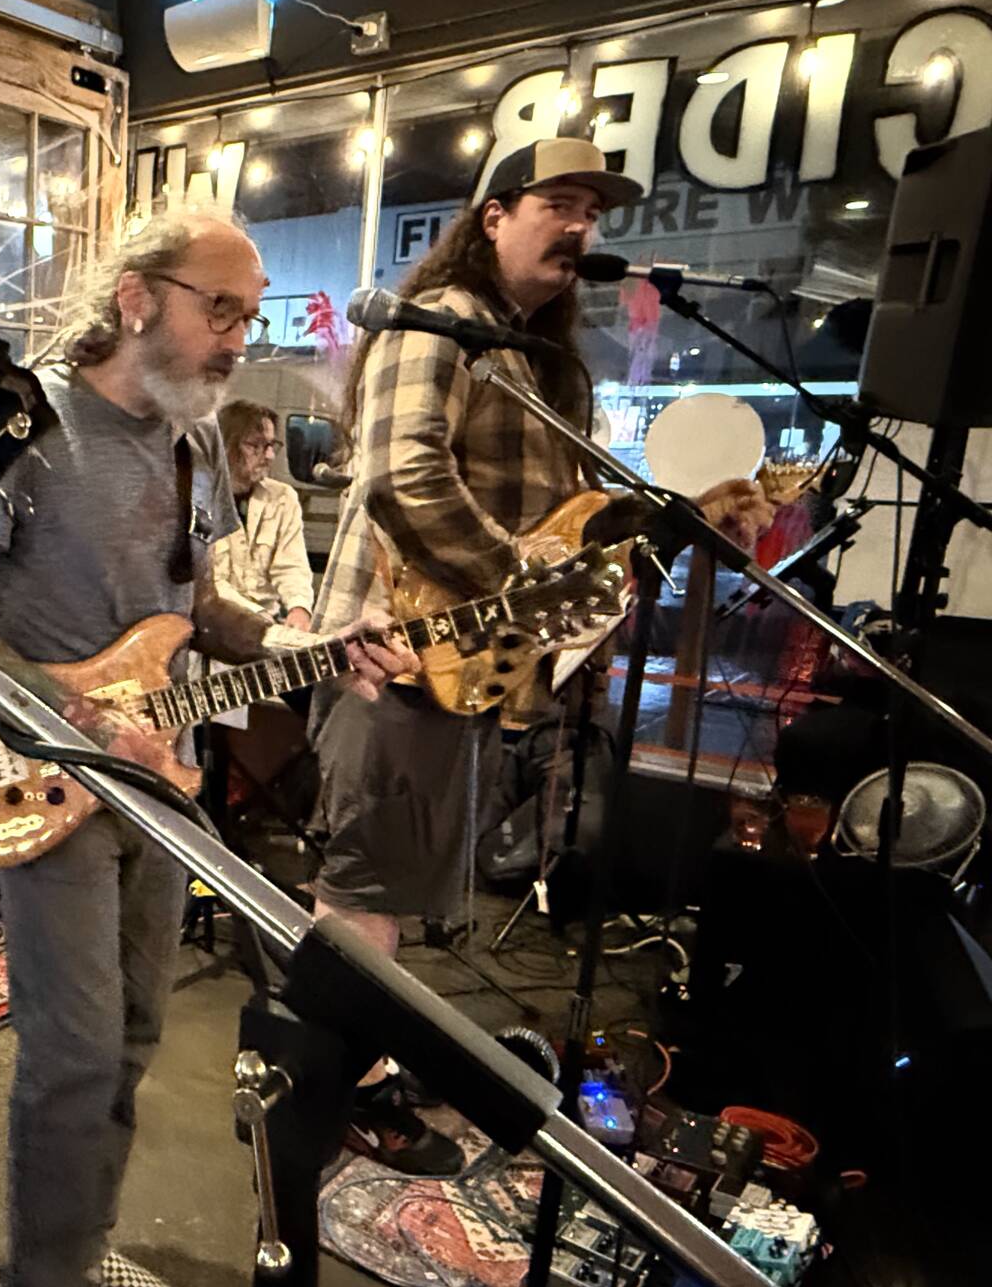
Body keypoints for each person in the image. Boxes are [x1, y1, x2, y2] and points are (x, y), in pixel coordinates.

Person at [0, 205, 415, 1287]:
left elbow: (200, 617)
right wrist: (75, 718)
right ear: (138, 296)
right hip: (47, 778)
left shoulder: (191, 450)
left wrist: (306, 642)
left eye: (247, 317)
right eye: (221, 311)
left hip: (168, 785)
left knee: (138, 1033)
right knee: (75, 1048)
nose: (237, 339)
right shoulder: (16, 416)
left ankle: (80, 1247)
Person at [308, 137, 772, 1172]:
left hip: (469, 668)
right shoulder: (442, 329)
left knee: (398, 887)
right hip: (391, 654)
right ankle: (337, 1089)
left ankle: (369, 1058)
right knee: (360, 891)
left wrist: (682, 528)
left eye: (592, 213)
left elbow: (569, 529)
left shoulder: (538, 360)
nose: (579, 228)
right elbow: (400, 480)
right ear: (491, 217)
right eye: (557, 203)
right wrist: (524, 582)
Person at [212, 399, 315, 630]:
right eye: (255, 445)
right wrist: (258, 617)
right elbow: (210, 584)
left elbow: (292, 566)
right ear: (226, 445)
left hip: (269, 625)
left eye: (271, 445)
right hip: (215, 630)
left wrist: (299, 609)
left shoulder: (283, 498)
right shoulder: (196, 499)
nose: (268, 455)